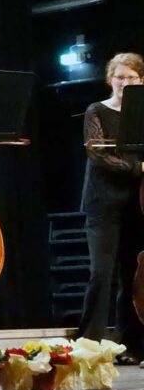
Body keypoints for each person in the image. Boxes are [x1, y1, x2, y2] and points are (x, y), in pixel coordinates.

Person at [77, 52, 144, 365]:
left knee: (131, 276)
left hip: (135, 204)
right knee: (101, 274)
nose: (124, 82)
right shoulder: (97, 111)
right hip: (102, 203)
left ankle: (126, 345)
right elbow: (98, 154)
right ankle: (89, 345)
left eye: (131, 77)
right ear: (110, 79)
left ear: (141, 81)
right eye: (119, 76)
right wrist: (137, 167)